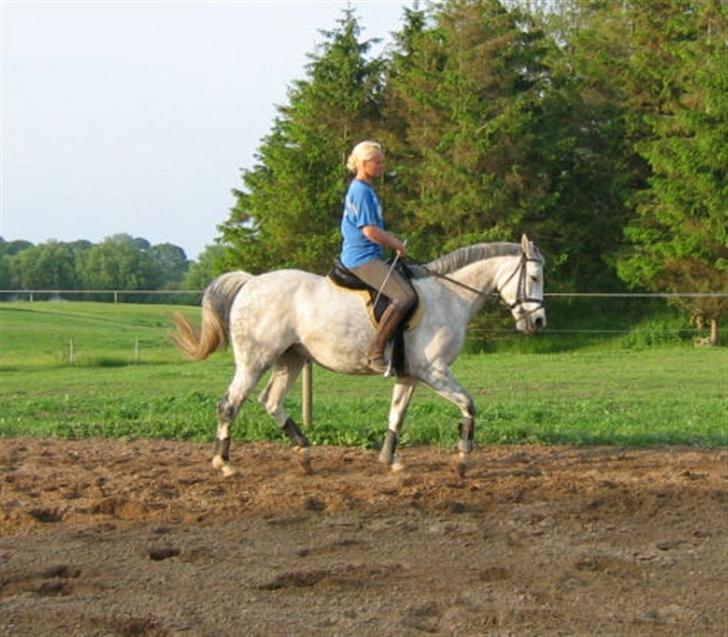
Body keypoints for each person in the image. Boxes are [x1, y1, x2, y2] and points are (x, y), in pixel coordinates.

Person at [340, 141, 417, 373]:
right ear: (364, 164)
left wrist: (391, 238)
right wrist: (396, 244)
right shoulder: (361, 191)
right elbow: (369, 231)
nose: (382, 166)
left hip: (369, 253)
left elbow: (375, 228)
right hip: (362, 258)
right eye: (378, 162)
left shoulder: (365, 189)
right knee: (404, 296)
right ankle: (375, 353)